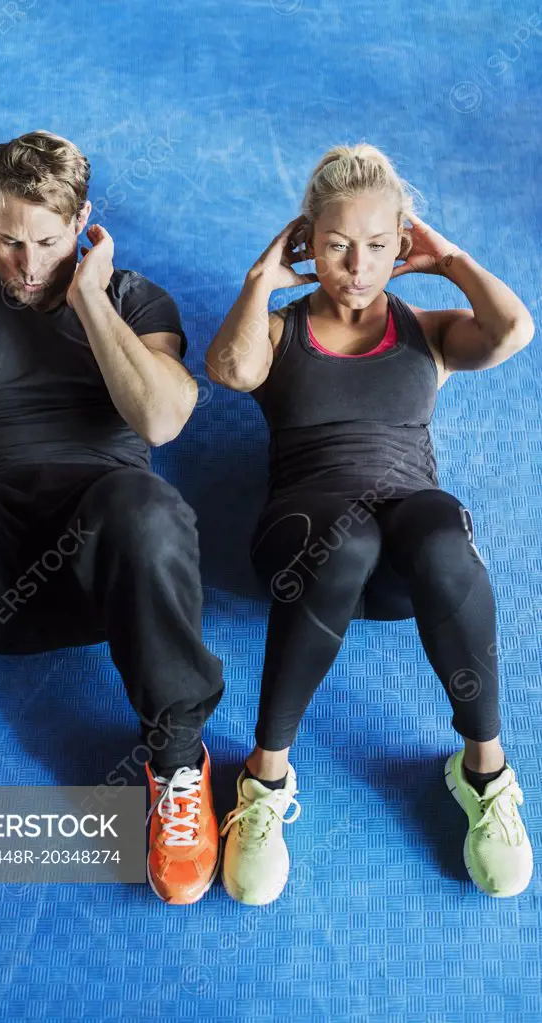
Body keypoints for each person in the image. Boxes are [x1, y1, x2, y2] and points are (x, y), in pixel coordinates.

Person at [0, 130, 223, 910]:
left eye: (48, 242)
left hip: (107, 566)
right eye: (8, 241)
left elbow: (160, 421)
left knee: (145, 501)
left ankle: (177, 760)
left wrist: (87, 295)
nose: (25, 264)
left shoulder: (132, 301)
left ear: (82, 221)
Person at [205, 142, 536, 905]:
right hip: (304, 545)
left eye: (378, 246)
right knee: (344, 536)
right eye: (335, 245)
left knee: (440, 526)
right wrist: (260, 279)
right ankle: (264, 776)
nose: (357, 265)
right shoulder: (282, 330)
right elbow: (228, 369)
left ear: (402, 245)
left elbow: (512, 329)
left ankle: (483, 769)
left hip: (402, 569)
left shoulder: (427, 329)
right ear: (305, 242)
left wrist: (448, 259)